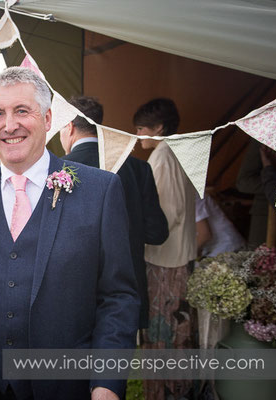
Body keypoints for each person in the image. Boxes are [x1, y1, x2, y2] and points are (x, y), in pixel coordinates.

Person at [0, 67, 139, 400]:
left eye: (22, 111)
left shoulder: (100, 191)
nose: (9, 125)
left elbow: (118, 298)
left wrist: (107, 385)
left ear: (47, 119)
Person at [60, 96, 169, 330]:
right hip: (125, 293)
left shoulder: (56, 172)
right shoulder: (140, 168)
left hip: (72, 298)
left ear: (68, 127)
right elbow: (157, 233)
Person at [134, 98, 197, 400]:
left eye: (142, 128)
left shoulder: (163, 158)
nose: (138, 133)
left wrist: (133, 232)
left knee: (164, 336)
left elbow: (165, 217)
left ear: (159, 128)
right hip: (176, 257)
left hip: (166, 263)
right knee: (174, 337)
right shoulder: (177, 153)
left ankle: (165, 394)